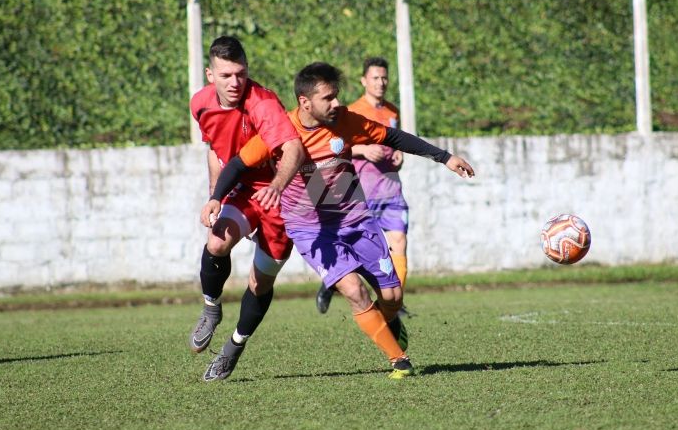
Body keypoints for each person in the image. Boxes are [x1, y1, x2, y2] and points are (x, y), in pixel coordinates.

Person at [201, 62, 474, 380]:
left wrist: (445, 157)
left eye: (336, 96)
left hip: (356, 221)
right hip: (311, 230)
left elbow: (394, 138)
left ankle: (389, 323)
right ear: (305, 102)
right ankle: (399, 360)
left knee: (392, 297)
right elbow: (236, 164)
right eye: (328, 98)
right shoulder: (281, 130)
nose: (336, 103)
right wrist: (216, 198)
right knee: (354, 290)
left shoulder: (345, 122)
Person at [188, 36, 305, 379]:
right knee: (216, 242)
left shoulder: (263, 104)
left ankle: (234, 347)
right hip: (240, 188)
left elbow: (294, 150)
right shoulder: (200, 104)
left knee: (260, 283)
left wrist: (277, 186)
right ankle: (211, 308)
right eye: (226, 75)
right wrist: (216, 195)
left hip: (280, 195)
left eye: (240, 73)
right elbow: (214, 148)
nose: (235, 82)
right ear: (211, 75)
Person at [315, 57, 410, 316]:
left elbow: (393, 142)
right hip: (362, 192)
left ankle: (394, 303)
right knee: (360, 252)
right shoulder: (350, 111)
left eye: (384, 78)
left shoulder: (392, 111)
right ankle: (330, 284)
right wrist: (363, 150)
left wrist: (399, 155)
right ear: (363, 81)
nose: (381, 83)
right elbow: (334, 146)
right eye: (375, 78)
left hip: (391, 189)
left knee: (398, 242)